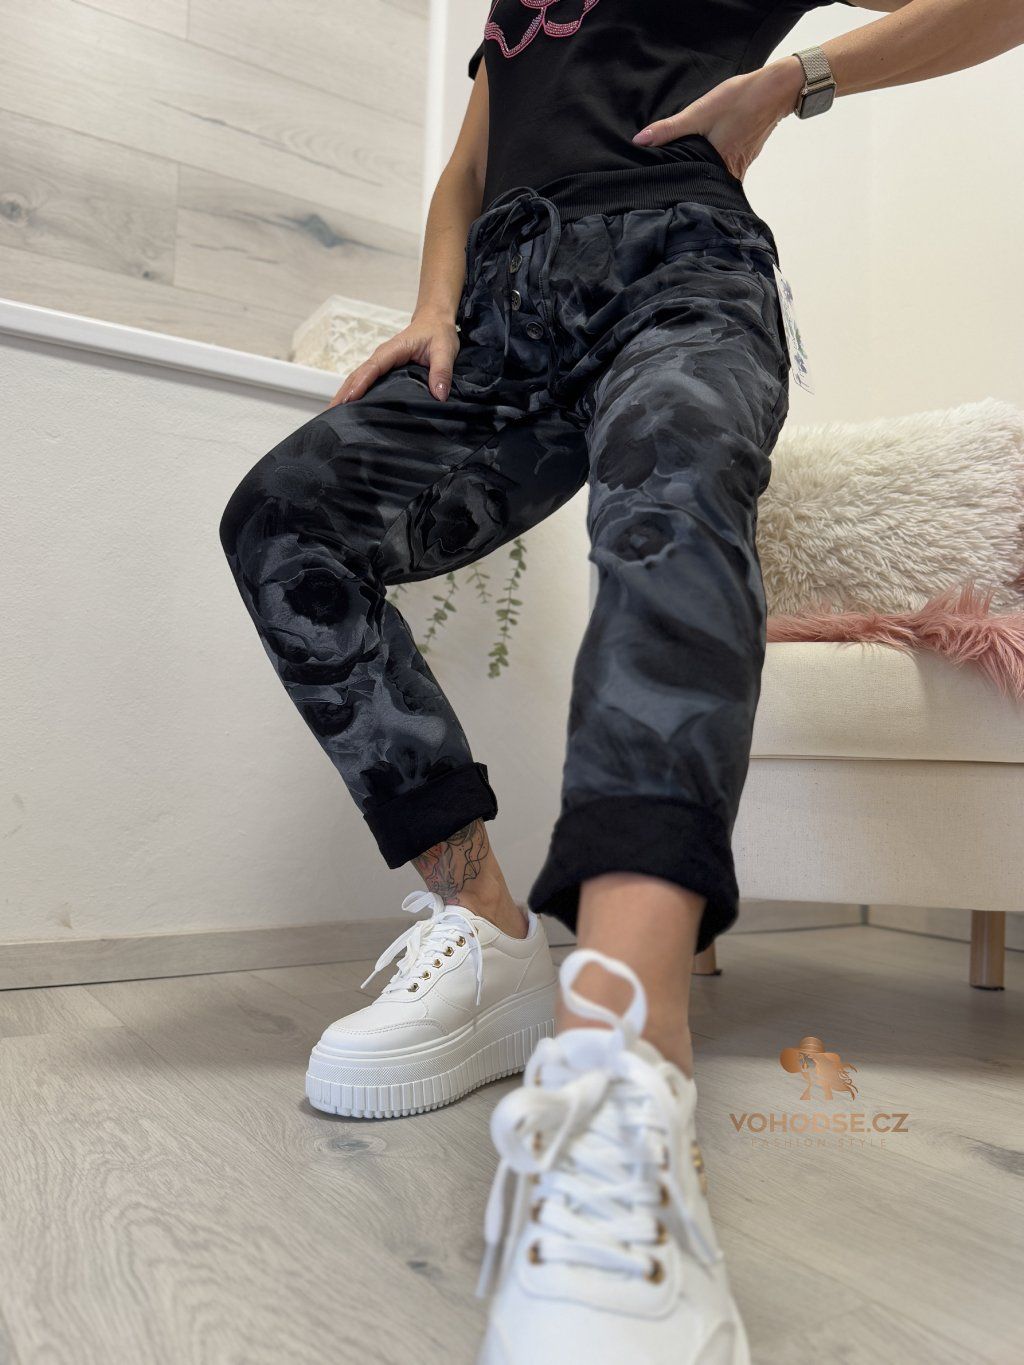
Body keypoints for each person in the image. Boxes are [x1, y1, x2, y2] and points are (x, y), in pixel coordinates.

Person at [218, 0, 1021, 1357]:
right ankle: (484, 929)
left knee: (669, 497)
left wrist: (794, 81)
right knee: (286, 523)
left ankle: (625, 1069)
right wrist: (432, 304)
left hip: (680, 270)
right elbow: (468, 170)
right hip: (504, 325)